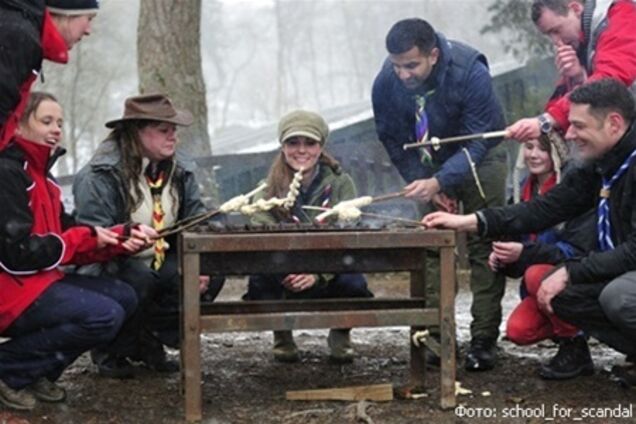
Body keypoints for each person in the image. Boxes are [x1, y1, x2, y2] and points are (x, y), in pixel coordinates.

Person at [423, 79, 636, 386]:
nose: (570, 135)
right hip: (624, 268)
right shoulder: (602, 165)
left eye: (578, 126)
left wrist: (571, 271)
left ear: (614, 123)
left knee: (620, 297)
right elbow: (543, 209)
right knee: (563, 295)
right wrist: (470, 221)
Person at [0, 92, 153, 411]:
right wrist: (85, 240)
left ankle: (37, 370)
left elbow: (68, 233)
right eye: (46, 121)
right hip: (11, 290)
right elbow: (16, 254)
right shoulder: (8, 173)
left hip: (38, 282)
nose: (56, 129)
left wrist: (115, 239)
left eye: (59, 122)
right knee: (102, 315)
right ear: (18, 125)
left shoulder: (44, 175)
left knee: (123, 296)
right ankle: (9, 370)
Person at [372, 18, 508, 371]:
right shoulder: (386, 83)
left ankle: (483, 340)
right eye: (396, 65)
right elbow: (392, 139)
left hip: (482, 153)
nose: (402, 74)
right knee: (432, 246)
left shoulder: (470, 70)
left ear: (432, 55)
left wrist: (442, 180)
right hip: (427, 163)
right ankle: (436, 336)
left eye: (411, 65)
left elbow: (479, 139)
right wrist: (427, 184)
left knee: (483, 243)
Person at [73, 93, 223, 377]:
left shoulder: (181, 169)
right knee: (137, 280)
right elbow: (93, 238)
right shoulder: (99, 175)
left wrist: (200, 261)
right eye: (164, 130)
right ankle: (112, 349)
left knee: (208, 272)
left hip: (160, 255)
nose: (173, 137)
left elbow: (194, 219)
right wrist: (125, 240)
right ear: (136, 133)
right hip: (110, 261)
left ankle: (149, 337)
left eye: (174, 130)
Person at [243, 110, 373, 364]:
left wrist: (317, 274)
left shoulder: (340, 183)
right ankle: (282, 333)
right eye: (293, 143)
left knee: (353, 280)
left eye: (309, 143)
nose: (301, 150)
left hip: (328, 269)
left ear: (321, 147)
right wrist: (288, 271)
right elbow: (260, 232)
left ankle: (340, 331)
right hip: (284, 270)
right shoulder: (266, 187)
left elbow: (347, 234)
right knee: (260, 278)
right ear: (282, 147)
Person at [491, 134, 597, 379]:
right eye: (528, 147)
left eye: (543, 149)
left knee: (535, 272)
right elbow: (517, 254)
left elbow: (576, 251)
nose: (533, 155)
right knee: (519, 330)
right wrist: (503, 259)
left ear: (557, 154)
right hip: (538, 289)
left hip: (577, 279)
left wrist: (525, 254)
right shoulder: (520, 193)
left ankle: (576, 345)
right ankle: (565, 331)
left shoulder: (575, 191)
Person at [507, 0, 636, 141]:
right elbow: (564, 98)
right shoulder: (582, 40)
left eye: (556, 30)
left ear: (575, 9)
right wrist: (579, 77)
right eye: (549, 35)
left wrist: (546, 121)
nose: (556, 41)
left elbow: (609, 81)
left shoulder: (622, 15)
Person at [0, 0, 98, 150]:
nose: (88, 31)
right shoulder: (18, 38)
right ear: (68, 14)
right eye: (89, 19)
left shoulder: (19, 31)